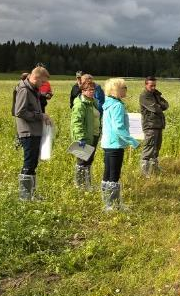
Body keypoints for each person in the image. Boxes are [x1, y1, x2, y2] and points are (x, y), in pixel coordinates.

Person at [100, 78, 139, 212]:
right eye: (124, 87)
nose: (126, 90)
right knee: (114, 175)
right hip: (115, 145)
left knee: (107, 174)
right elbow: (118, 128)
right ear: (116, 90)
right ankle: (114, 205)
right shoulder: (117, 106)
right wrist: (132, 141)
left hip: (107, 143)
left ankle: (108, 203)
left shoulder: (108, 103)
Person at [13, 66, 52, 200]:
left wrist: (42, 116)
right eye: (42, 82)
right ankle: (25, 196)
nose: (43, 85)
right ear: (35, 78)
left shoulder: (32, 89)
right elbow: (20, 111)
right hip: (28, 132)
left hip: (34, 131)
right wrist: (39, 116)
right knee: (29, 164)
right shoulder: (24, 90)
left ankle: (31, 194)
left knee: (33, 163)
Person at [70, 78, 101, 190]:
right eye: (88, 90)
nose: (91, 92)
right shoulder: (80, 104)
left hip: (94, 135)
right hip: (84, 137)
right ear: (82, 91)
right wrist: (80, 138)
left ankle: (87, 184)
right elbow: (76, 122)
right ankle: (80, 186)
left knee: (89, 161)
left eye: (93, 89)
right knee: (82, 162)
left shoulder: (93, 102)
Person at [139, 76, 169, 176]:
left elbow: (166, 105)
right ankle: (145, 172)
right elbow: (156, 109)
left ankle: (154, 169)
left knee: (157, 148)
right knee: (149, 147)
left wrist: (158, 104)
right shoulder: (144, 96)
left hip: (158, 124)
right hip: (150, 125)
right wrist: (159, 105)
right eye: (151, 85)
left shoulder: (155, 94)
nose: (153, 87)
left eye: (154, 85)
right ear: (146, 84)